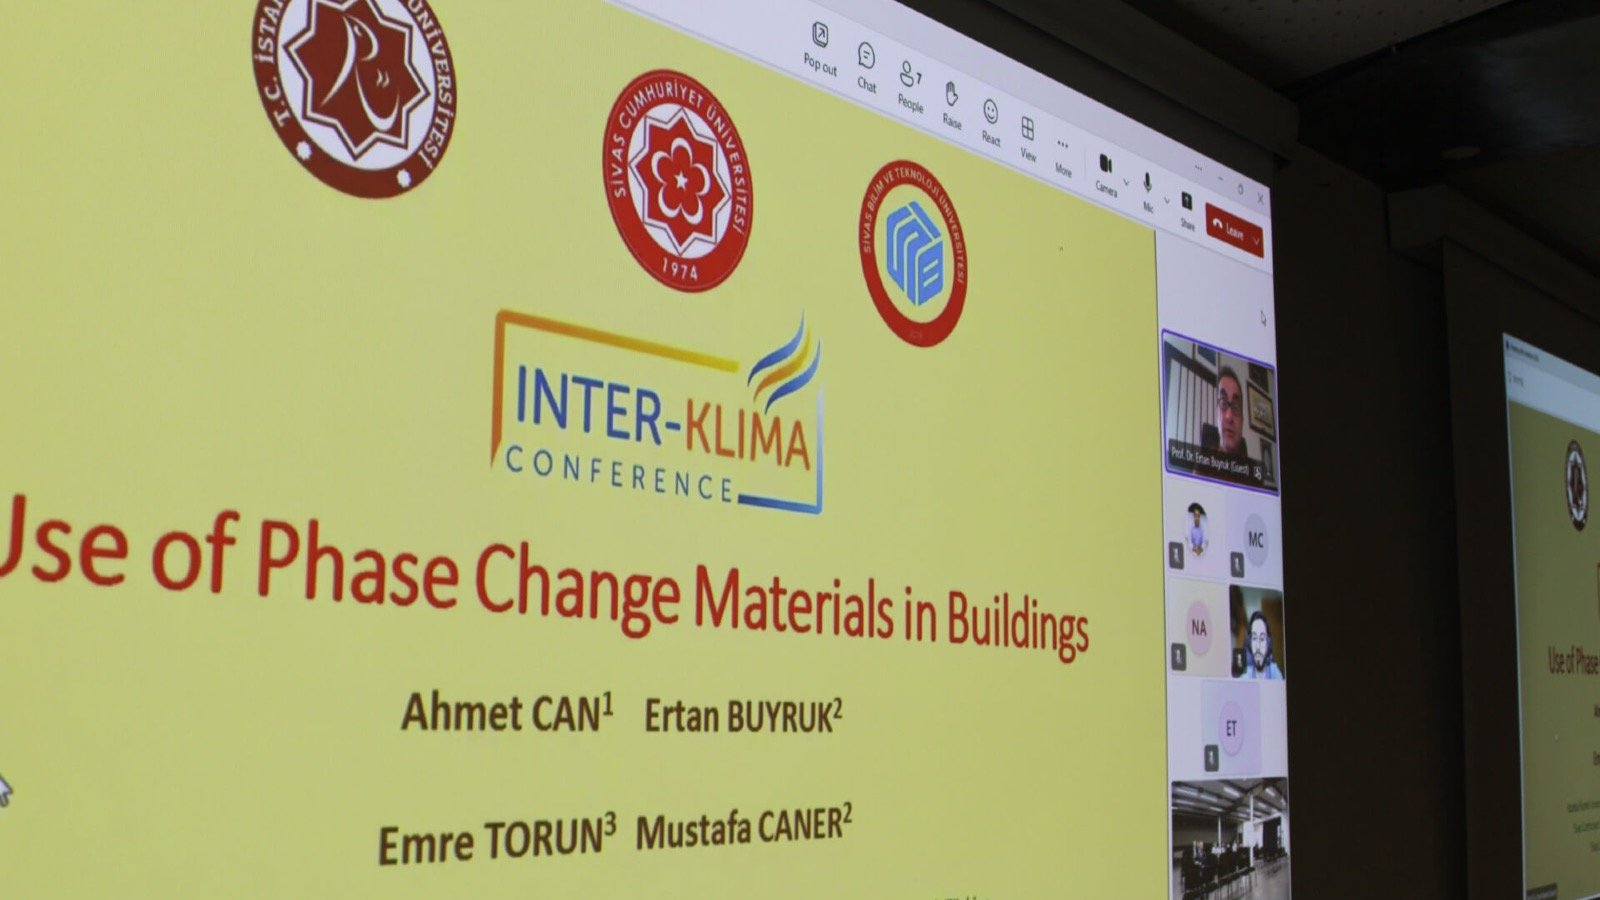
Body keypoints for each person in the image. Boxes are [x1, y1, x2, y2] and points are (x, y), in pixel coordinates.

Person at [1214, 367, 1248, 458]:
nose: (1229, 416)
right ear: (1217, 414)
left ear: (1242, 421)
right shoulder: (1202, 465)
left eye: (1236, 407)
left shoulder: (1253, 467)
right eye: (1223, 403)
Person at [1242, 611, 1283, 679]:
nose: (1258, 647)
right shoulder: (1245, 676)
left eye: (1262, 639)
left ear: (1268, 643)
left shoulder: (1275, 674)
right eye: (1254, 638)